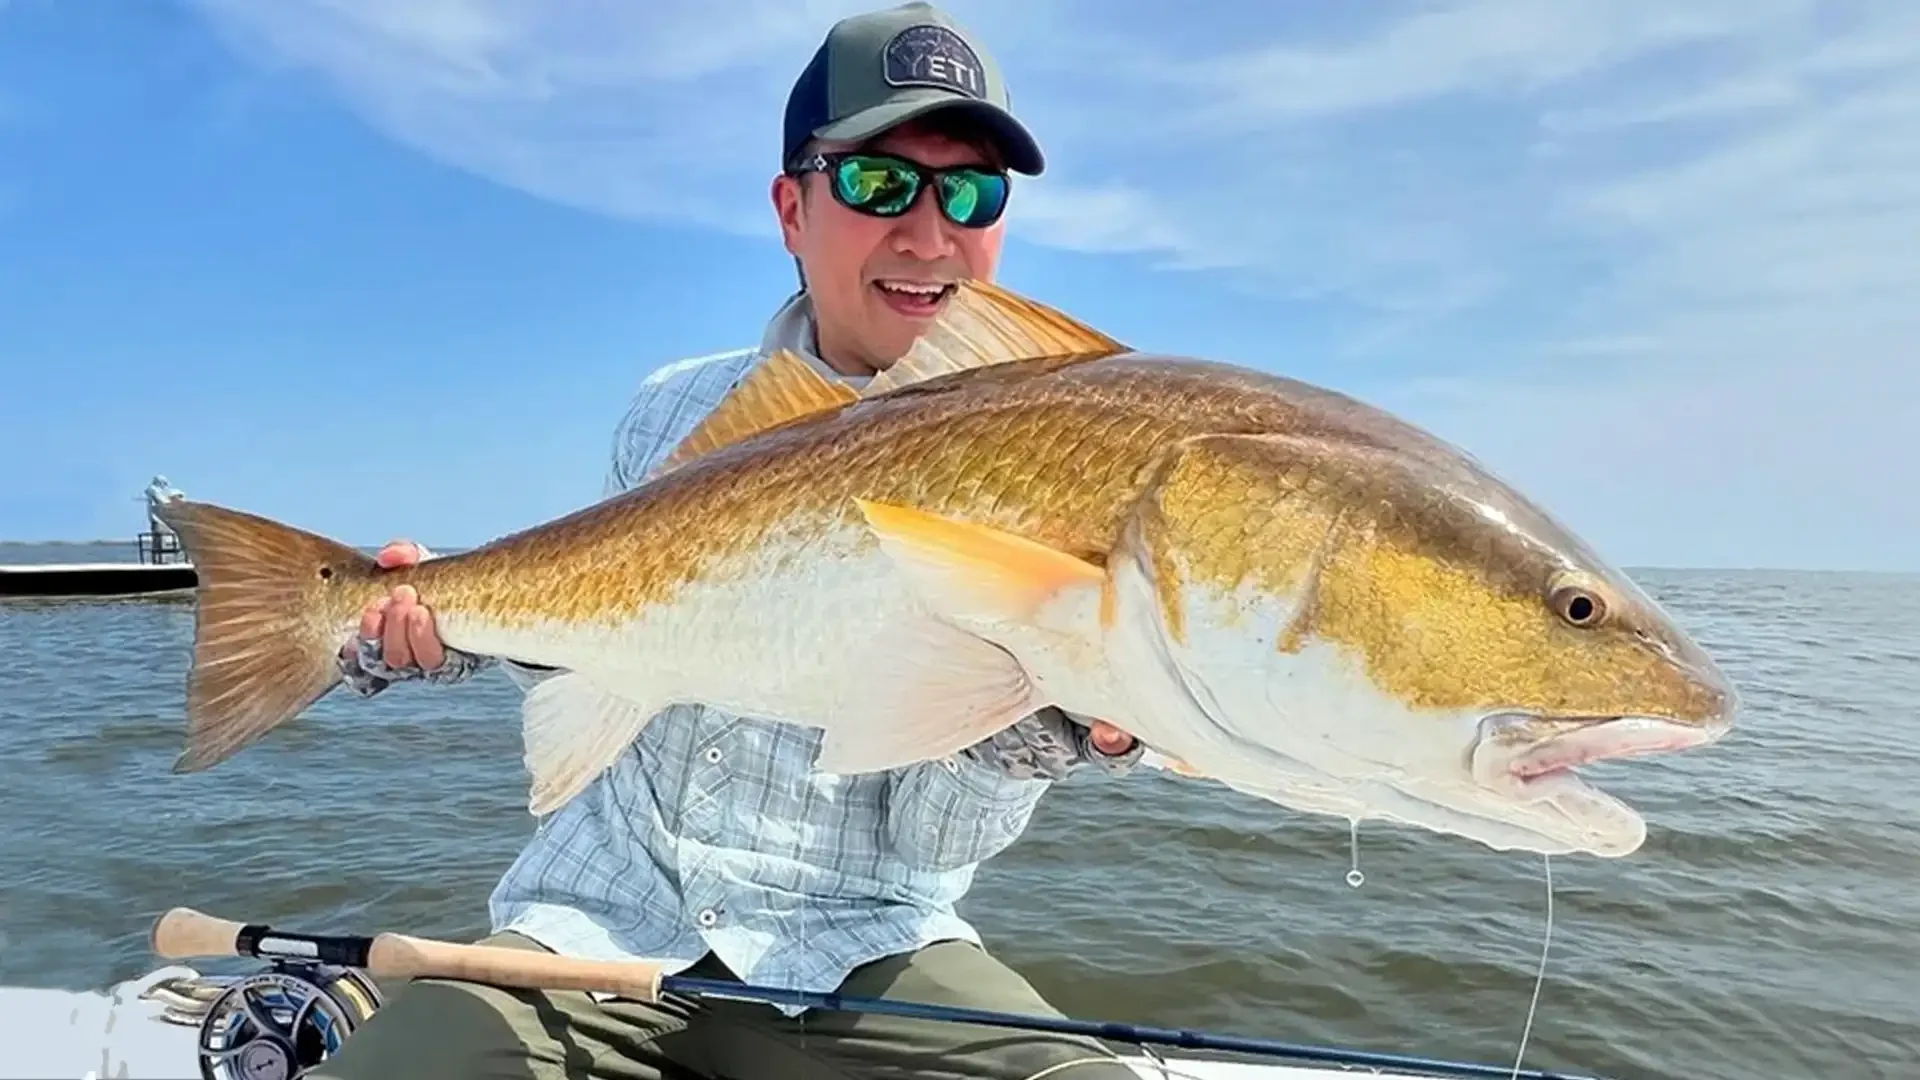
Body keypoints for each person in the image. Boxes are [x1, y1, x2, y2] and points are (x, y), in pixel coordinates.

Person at [308, 5, 1150, 1079]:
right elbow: (607, 623)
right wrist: (425, 633)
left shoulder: (1053, 456)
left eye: (971, 190)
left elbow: (931, 849)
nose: (930, 234)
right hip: (597, 921)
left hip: (859, 947)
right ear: (791, 207)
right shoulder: (675, 411)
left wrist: (1064, 722)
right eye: (879, 182)